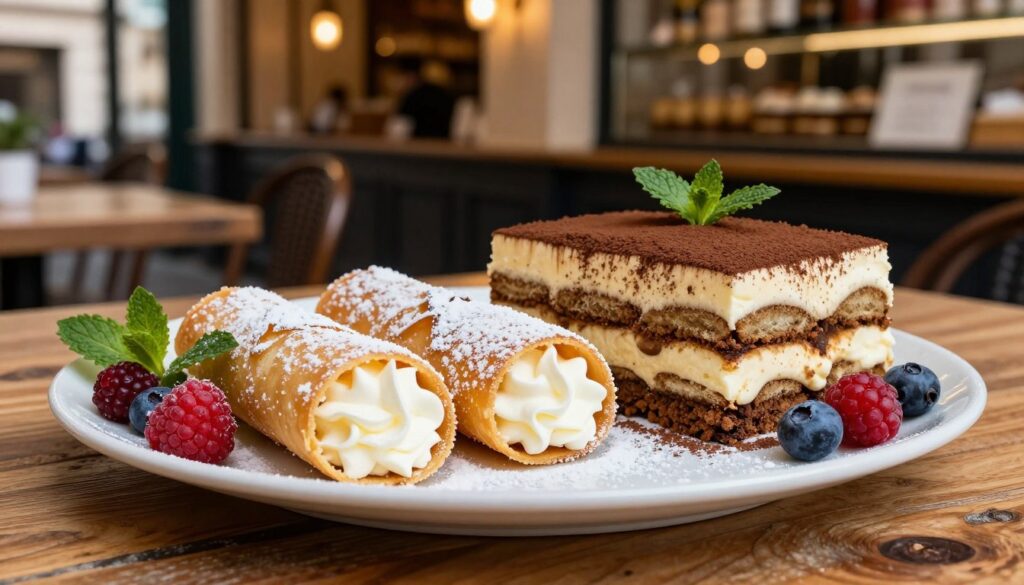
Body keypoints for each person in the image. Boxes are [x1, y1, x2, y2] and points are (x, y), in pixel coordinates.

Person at [395, 57, 455, 139]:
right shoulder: (442, 93)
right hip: (444, 144)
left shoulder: (412, 96)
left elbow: (399, 130)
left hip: (417, 145)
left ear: (409, 75)